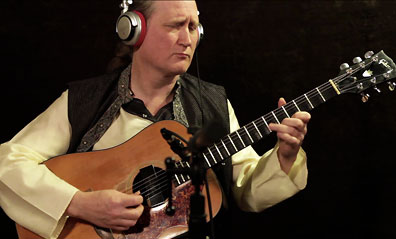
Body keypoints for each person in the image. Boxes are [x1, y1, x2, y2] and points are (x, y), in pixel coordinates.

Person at [0, 0, 311, 238]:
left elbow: (244, 188)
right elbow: (7, 164)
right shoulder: (86, 101)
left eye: (193, 27)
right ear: (134, 30)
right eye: (176, 25)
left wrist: (284, 155)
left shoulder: (213, 103)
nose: (188, 39)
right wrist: (78, 203)